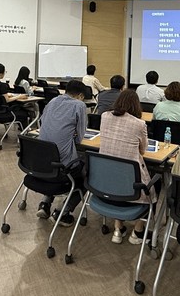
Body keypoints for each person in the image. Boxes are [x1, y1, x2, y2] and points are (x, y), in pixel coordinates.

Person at [99, 90, 156, 244]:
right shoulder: (139, 124)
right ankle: (137, 232)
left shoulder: (104, 116)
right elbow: (143, 150)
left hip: (105, 180)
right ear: (136, 106)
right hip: (130, 182)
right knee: (150, 189)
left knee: (118, 184)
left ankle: (118, 229)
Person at [37, 79, 88, 226]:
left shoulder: (53, 101)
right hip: (62, 167)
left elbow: (43, 122)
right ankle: (63, 212)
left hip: (40, 162)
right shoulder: (79, 105)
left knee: (54, 164)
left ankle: (45, 203)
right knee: (86, 175)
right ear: (80, 95)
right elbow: (79, 138)